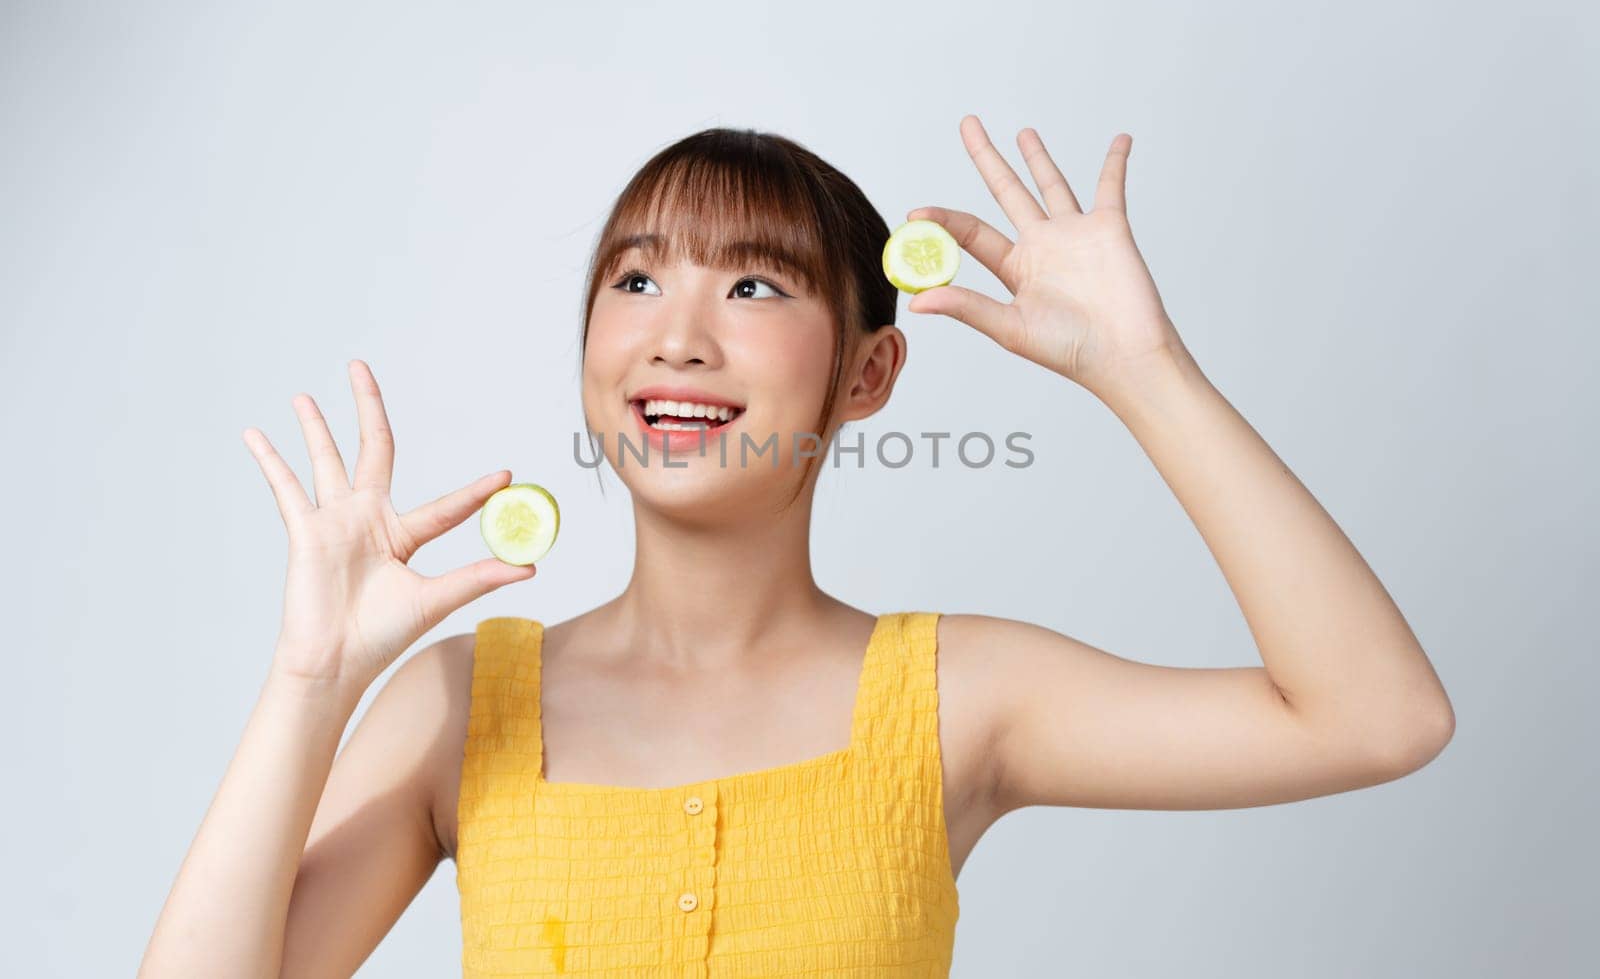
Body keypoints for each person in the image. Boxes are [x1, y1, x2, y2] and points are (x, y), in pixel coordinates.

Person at [138, 117, 1455, 978]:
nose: (679, 335)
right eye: (638, 279)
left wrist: (1143, 371)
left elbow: (1377, 719)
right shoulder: (461, 703)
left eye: (755, 284)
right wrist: (311, 680)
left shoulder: (959, 700)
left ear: (869, 370)